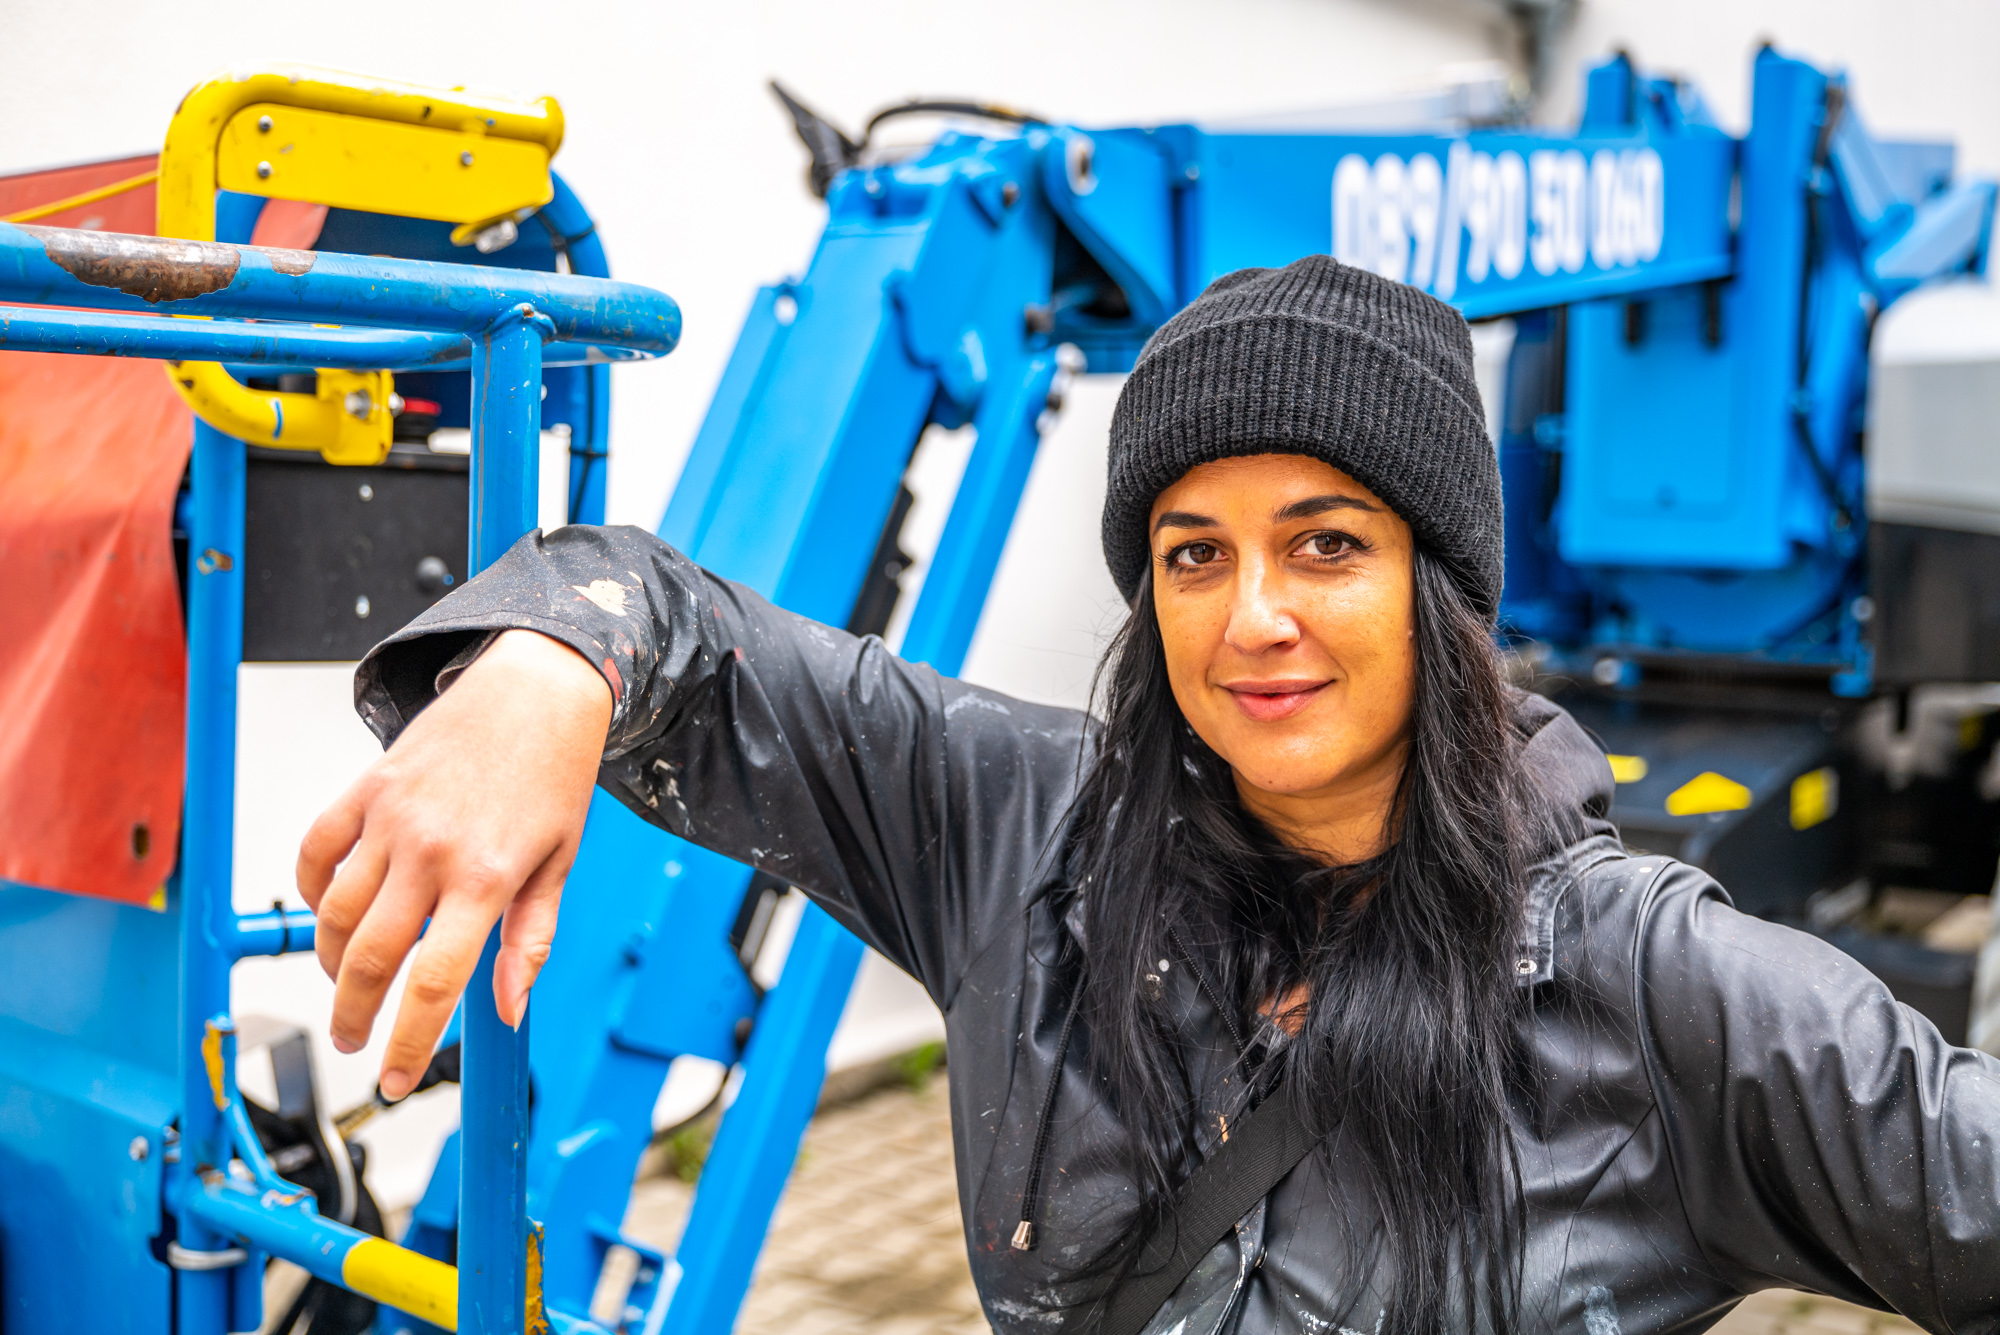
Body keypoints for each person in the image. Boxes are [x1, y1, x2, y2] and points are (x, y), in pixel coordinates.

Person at [299, 257, 2000, 1334]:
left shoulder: (1654, 988)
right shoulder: (1024, 837)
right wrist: (547, 664)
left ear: (1442, 591)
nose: (1251, 616)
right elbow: (683, 624)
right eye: (1194, 555)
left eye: (1325, 545)